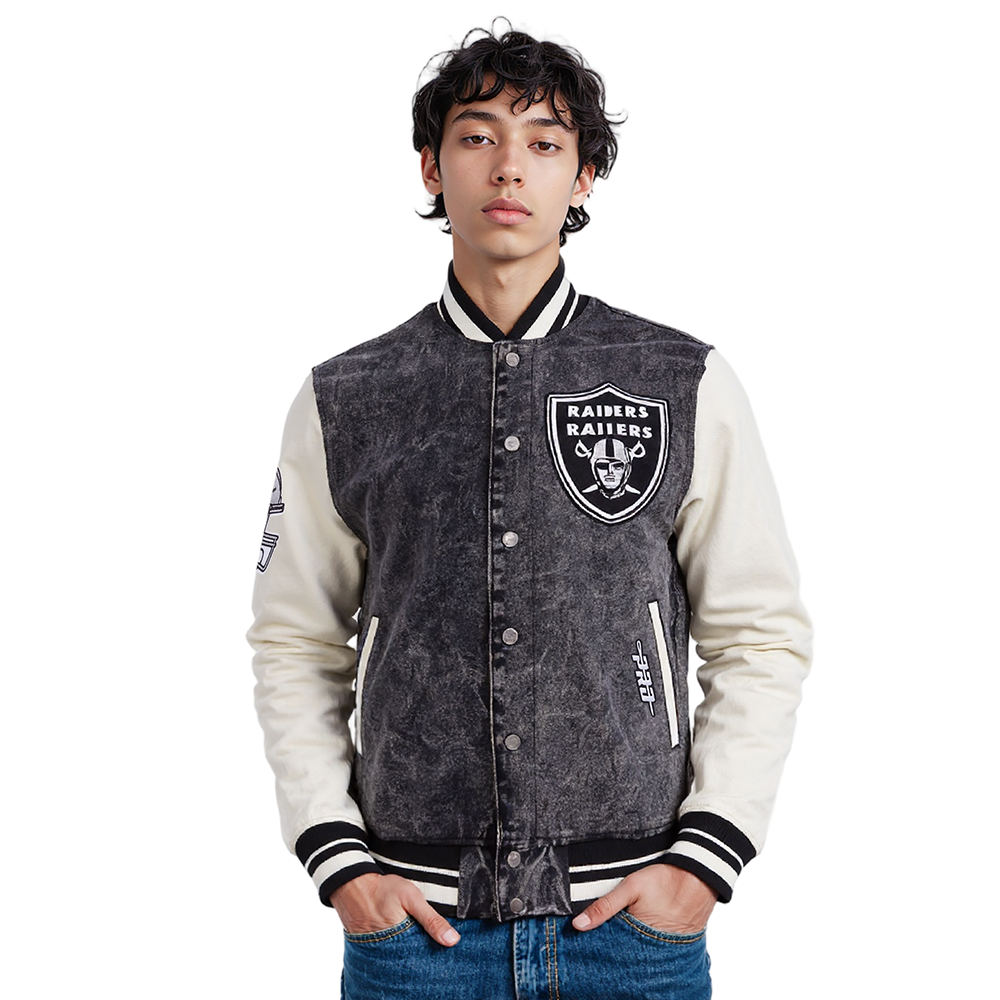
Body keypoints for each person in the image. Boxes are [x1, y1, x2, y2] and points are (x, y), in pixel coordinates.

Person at [248, 24, 811, 1000]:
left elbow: (760, 632)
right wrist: (337, 858)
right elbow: (294, 638)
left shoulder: (680, 380)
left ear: (582, 176)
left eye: (545, 142)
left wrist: (704, 858)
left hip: (632, 933)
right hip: (414, 937)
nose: (509, 166)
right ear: (431, 165)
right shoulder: (348, 397)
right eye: (477, 136)